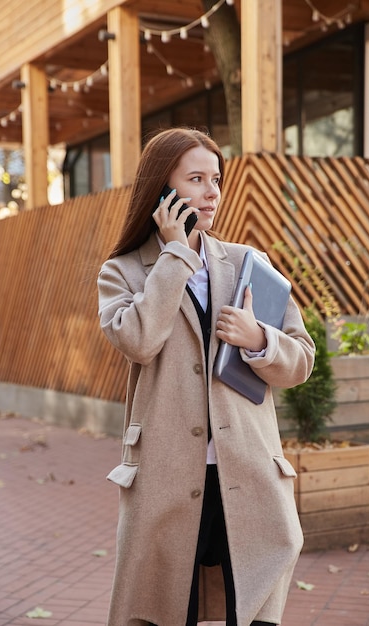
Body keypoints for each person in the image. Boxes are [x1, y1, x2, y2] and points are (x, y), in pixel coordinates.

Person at [97, 127, 315, 626]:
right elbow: (138, 341)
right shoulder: (124, 272)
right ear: (163, 189)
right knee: (168, 608)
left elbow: (301, 359)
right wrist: (175, 255)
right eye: (196, 179)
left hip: (250, 473)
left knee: (255, 610)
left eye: (215, 178)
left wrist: (259, 338)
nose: (213, 192)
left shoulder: (247, 263)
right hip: (166, 477)